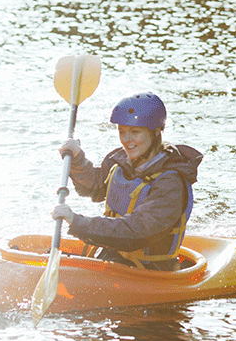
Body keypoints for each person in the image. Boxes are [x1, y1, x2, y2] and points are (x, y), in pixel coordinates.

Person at [51, 92, 203, 271]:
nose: (127, 140)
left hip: (151, 270)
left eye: (135, 132)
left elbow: (135, 232)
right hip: (115, 258)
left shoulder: (171, 183)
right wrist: (77, 160)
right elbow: (95, 187)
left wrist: (76, 221)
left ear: (155, 132)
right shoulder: (122, 160)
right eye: (122, 132)